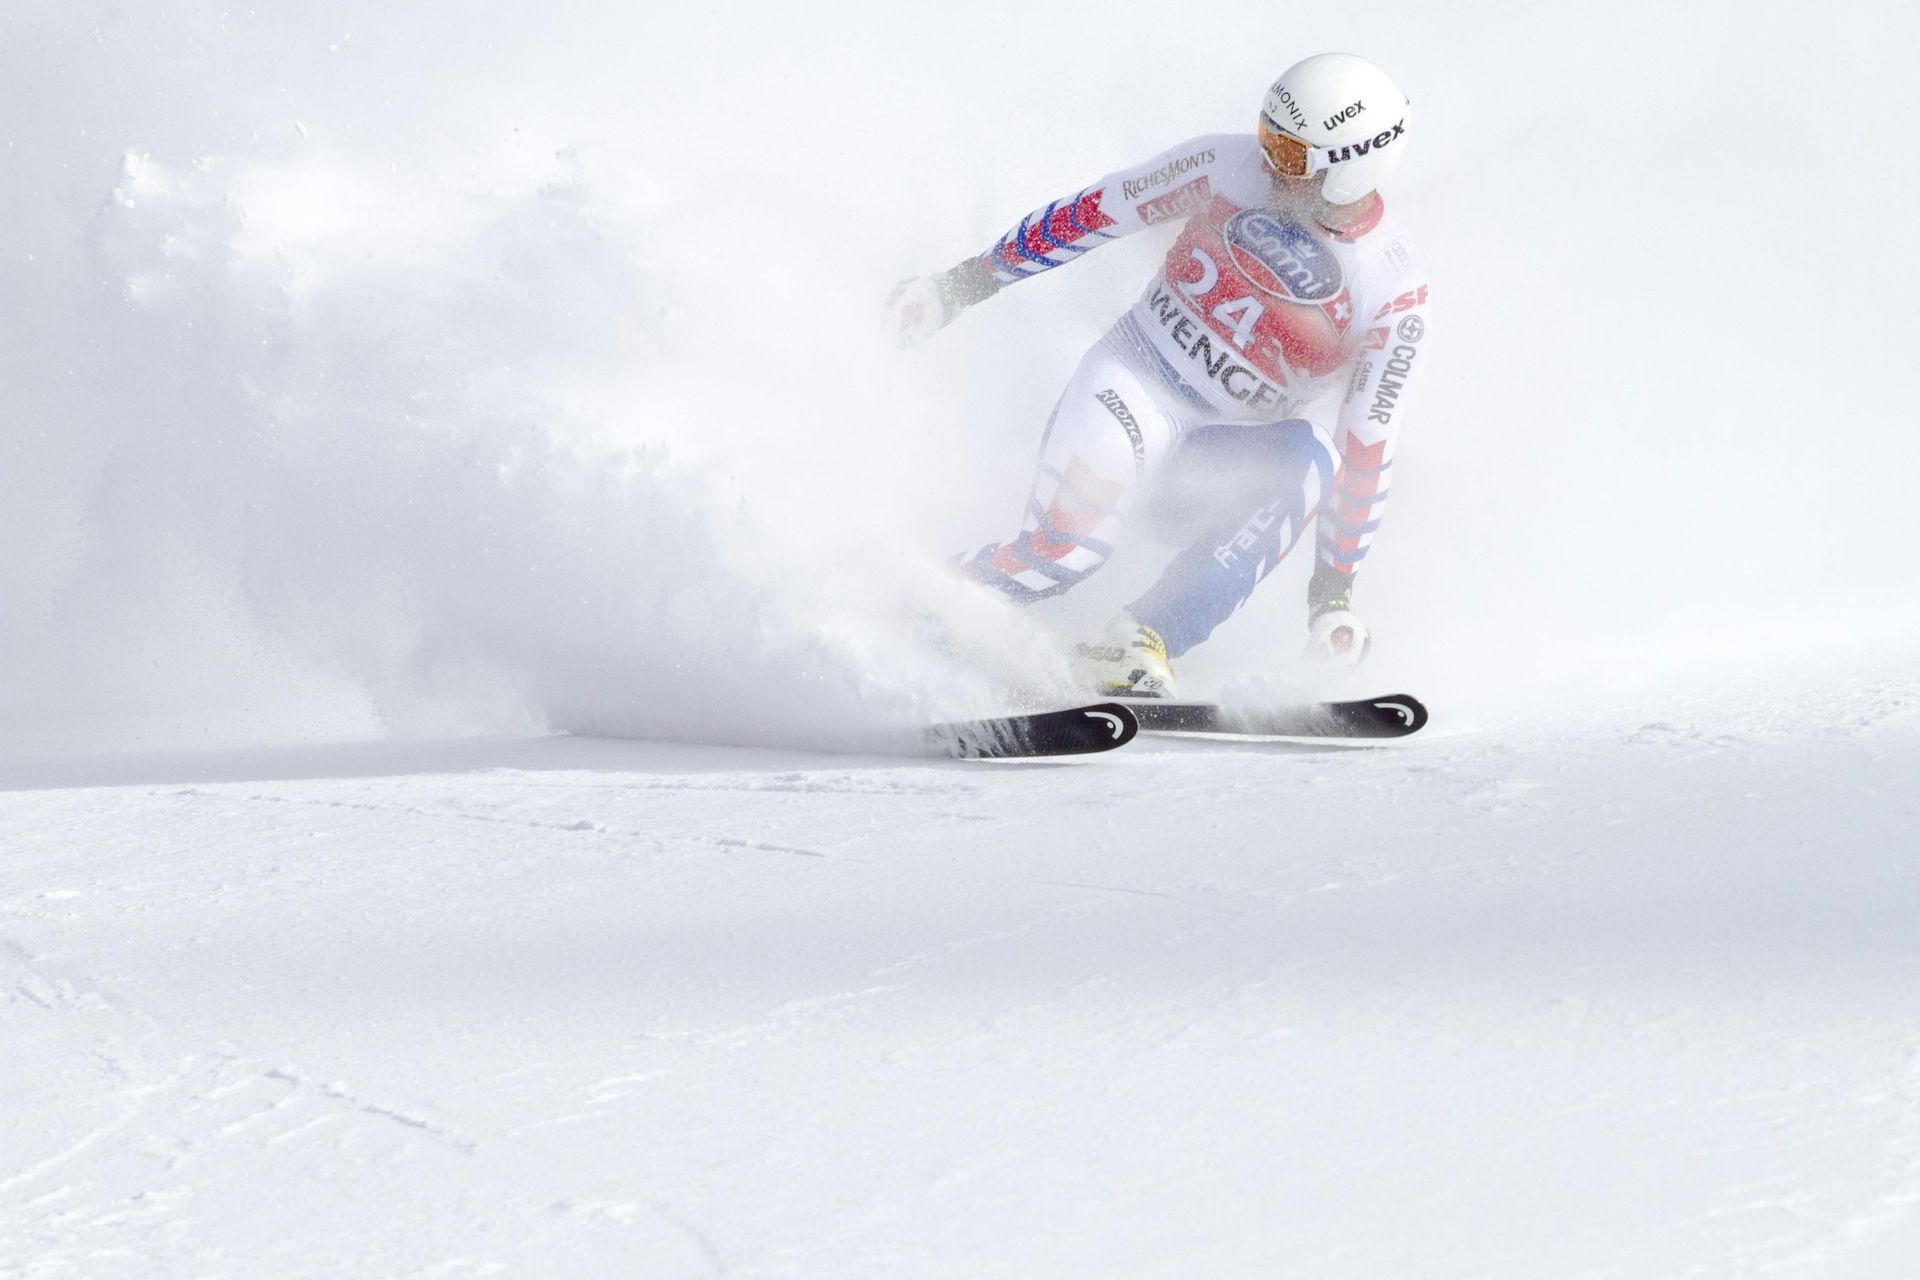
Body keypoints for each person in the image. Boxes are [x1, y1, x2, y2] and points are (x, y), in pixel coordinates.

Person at [886, 52, 1433, 698]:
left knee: (1313, 457)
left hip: (1209, 467)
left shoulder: (1392, 287)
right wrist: (958, 286)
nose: (1266, 162)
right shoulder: (1225, 164)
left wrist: (1332, 596)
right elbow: (1096, 212)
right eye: (1266, 136)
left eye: (1288, 154)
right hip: (1131, 390)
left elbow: (1367, 445)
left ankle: (1138, 640)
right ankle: (912, 604)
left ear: (1351, 168)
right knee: (1066, 555)